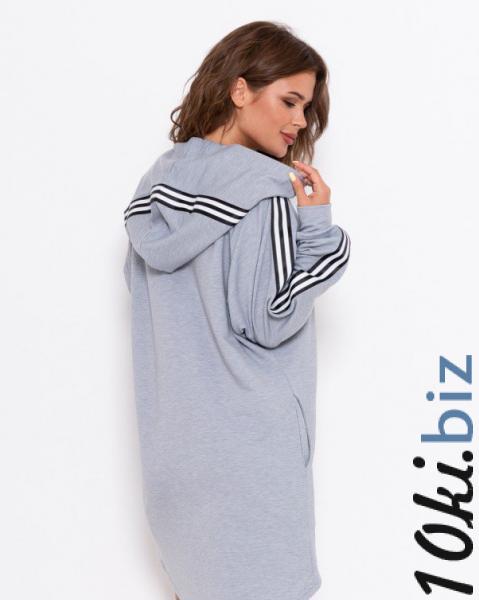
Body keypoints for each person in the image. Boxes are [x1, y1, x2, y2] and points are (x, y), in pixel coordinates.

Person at [123, 20, 351, 600]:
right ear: (240, 89)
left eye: (306, 108)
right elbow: (268, 318)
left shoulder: (155, 190)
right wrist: (323, 237)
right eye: (289, 101)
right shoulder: (266, 189)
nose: (299, 121)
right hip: (251, 460)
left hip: (176, 457)